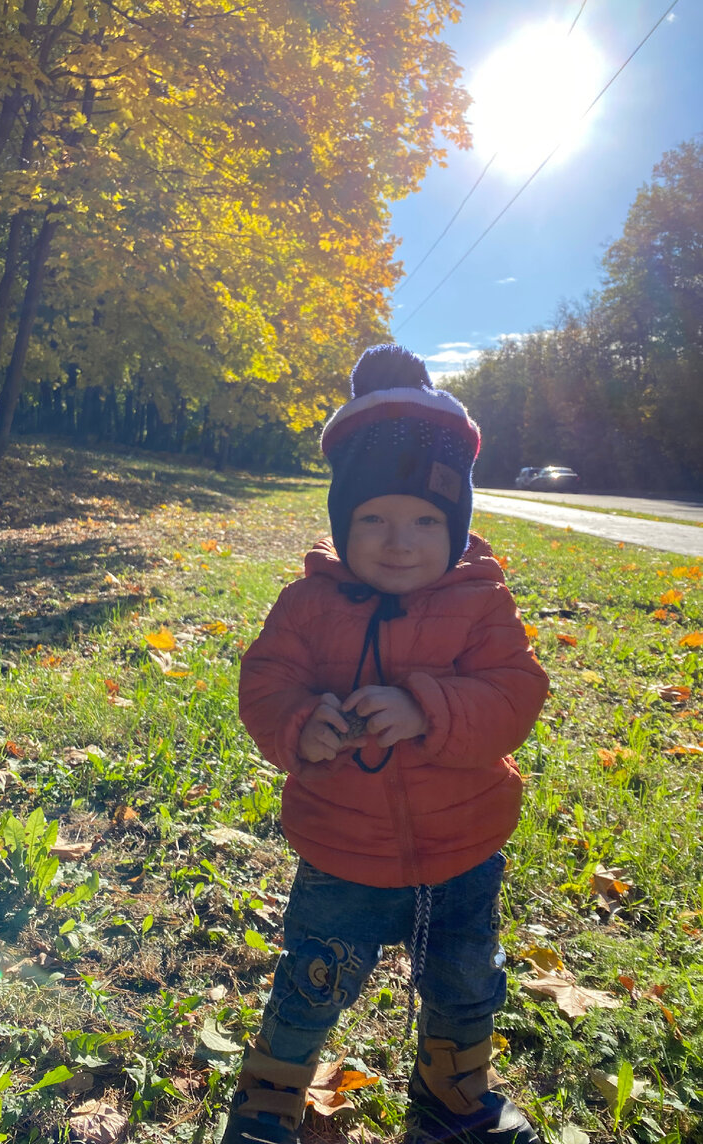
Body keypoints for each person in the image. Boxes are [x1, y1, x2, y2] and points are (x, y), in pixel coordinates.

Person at [221, 346, 549, 1144]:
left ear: (457, 525)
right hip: (343, 851)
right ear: (342, 521)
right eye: (373, 519)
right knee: (312, 982)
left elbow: (515, 695)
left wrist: (429, 708)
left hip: (463, 847)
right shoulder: (308, 604)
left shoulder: (481, 603)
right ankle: (270, 1100)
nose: (399, 542)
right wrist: (301, 723)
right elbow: (266, 682)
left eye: (426, 521)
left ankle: (452, 1096)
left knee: (466, 985)